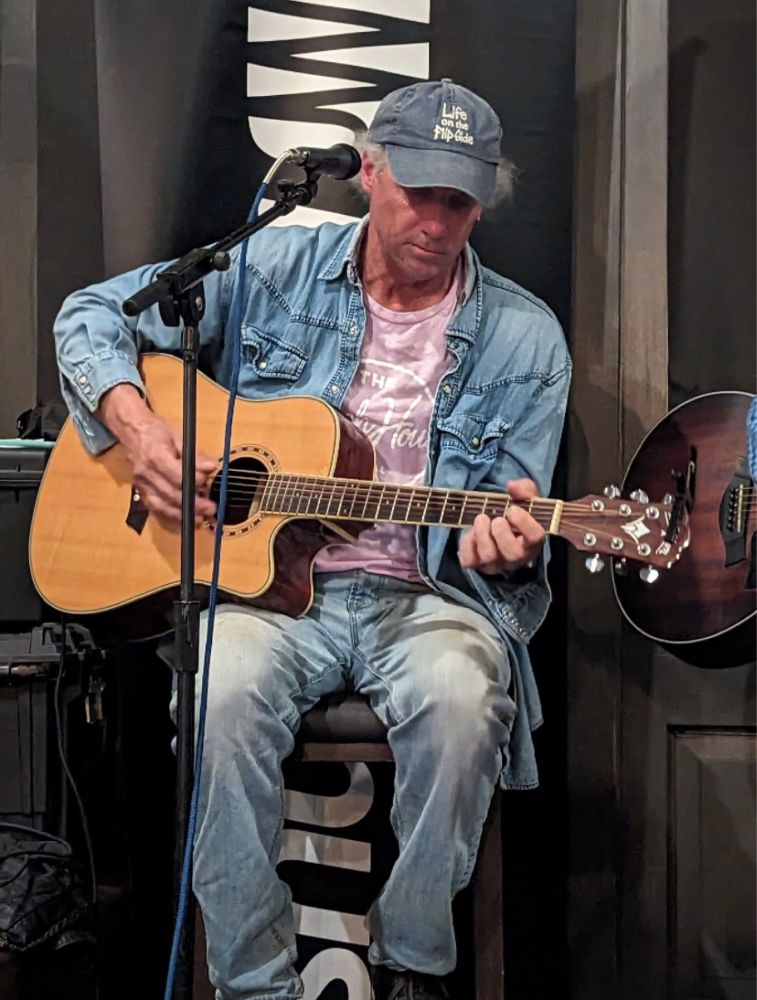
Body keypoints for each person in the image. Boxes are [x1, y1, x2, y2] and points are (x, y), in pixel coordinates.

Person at [53, 79, 571, 1000]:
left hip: (424, 596)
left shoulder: (527, 339)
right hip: (264, 593)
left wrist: (513, 549)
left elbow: (508, 520)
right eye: (418, 193)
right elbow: (89, 316)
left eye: (459, 202)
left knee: (463, 705)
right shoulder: (272, 265)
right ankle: (255, 986)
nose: (437, 223)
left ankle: (412, 965)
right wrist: (143, 434)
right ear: (369, 172)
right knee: (220, 696)